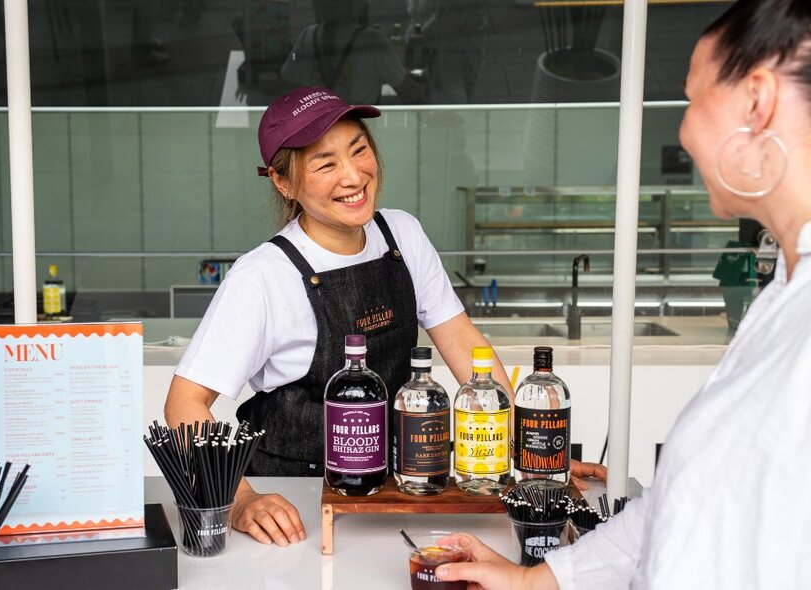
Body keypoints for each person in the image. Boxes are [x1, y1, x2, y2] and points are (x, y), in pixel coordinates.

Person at [435, 0, 811, 587]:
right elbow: (683, 503)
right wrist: (539, 580)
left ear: (757, 101)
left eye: (692, 100)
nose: (683, 131)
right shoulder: (784, 295)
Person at [164, 86, 606, 547]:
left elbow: (460, 339)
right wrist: (240, 501)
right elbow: (183, 405)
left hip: (399, 487)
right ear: (283, 182)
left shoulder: (402, 234)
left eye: (359, 150)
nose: (354, 176)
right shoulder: (261, 277)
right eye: (325, 163)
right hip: (298, 503)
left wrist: (529, 451)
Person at [281, 0, 424, 104]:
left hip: (317, 133)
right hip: (358, 133)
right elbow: (410, 93)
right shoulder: (371, 40)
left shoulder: (307, 36)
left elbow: (287, 83)